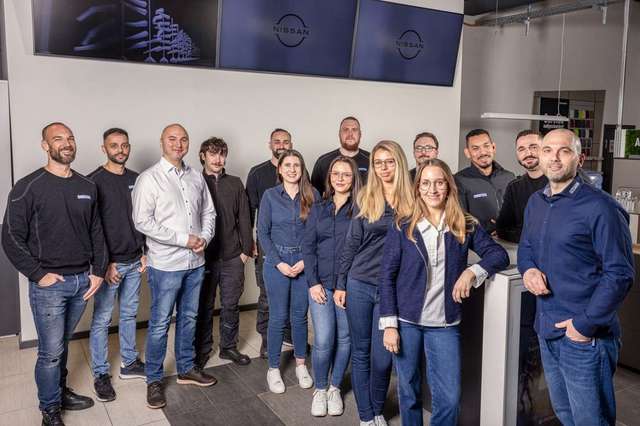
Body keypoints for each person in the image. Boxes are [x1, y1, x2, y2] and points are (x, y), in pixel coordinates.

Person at [517, 129, 634, 426]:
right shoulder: (536, 202)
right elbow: (527, 247)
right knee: (565, 415)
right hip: (547, 330)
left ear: (579, 159)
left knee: (591, 420)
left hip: (585, 337)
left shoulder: (601, 207)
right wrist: (528, 269)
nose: (554, 158)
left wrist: (583, 326)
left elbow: (620, 274)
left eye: (564, 151)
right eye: (547, 150)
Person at [380, 159, 509, 426]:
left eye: (439, 182)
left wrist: (472, 272)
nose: (433, 189)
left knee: (449, 398)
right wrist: (389, 325)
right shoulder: (403, 225)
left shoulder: (465, 224)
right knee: (409, 390)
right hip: (406, 321)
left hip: (445, 323)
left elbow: (499, 255)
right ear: (417, 188)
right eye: (426, 183)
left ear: (449, 186)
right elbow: (387, 276)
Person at [2, 122, 107, 426]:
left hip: (82, 281)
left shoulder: (87, 186)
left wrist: (98, 272)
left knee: (62, 343)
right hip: (49, 286)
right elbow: (10, 236)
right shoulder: (28, 187)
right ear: (45, 146)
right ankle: (50, 410)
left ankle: (60, 393)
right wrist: (38, 274)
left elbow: (97, 232)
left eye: (70, 138)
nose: (66, 143)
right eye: (58, 139)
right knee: (50, 352)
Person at [132, 124, 217, 409]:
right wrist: (184, 239)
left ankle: (186, 369)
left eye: (183, 139)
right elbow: (142, 221)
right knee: (159, 324)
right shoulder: (149, 179)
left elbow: (209, 212)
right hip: (166, 265)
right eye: (172, 139)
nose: (178, 144)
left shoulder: (196, 176)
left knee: (189, 317)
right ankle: (154, 380)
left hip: (196, 262)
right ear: (162, 142)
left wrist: (204, 238)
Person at [336, 140, 414, 426]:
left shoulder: (413, 200)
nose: (384, 168)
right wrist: (341, 283)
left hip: (391, 289)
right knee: (361, 353)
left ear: (399, 163)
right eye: (378, 163)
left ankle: (378, 408)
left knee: (382, 358)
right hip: (360, 283)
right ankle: (367, 417)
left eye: (389, 161)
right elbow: (351, 244)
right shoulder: (365, 198)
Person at [88, 128, 147, 403]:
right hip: (110, 266)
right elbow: (92, 228)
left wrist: (145, 251)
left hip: (135, 261)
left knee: (129, 314)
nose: (120, 150)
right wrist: (104, 264)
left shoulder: (137, 179)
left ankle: (129, 363)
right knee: (102, 320)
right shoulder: (93, 182)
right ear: (104, 149)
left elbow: (145, 217)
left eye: (124, 145)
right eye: (114, 145)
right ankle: (101, 373)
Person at [303, 156, 362, 417]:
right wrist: (313, 283)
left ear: (353, 178)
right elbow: (308, 247)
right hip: (321, 286)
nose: (340, 178)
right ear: (329, 177)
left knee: (345, 338)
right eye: (335, 173)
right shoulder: (318, 208)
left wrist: (346, 285)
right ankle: (320, 388)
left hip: (348, 287)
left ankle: (335, 388)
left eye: (346, 174)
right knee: (324, 339)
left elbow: (361, 250)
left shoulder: (361, 209)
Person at [258, 149, 319, 394]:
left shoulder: (312, 194)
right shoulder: (270, 196)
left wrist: (305, 261)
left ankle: (301, 364)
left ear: (302, 169)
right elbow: (262, 233)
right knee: (278, 316)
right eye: (288, 165)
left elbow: (318, 232)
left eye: (297, 165)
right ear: (280, 169)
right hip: (277, 263)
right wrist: (279, 263)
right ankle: (273, 368)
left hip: (304, 262)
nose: (292, 169)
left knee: (299, 317)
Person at [194, 137, 253, 368]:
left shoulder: (235, 183)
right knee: (204, 306)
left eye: (221, 154)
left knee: (230, 305)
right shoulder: (194, 180)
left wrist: (245, 251)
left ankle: (228, 347)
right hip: (203, 257)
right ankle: (202, 350)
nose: (218, 159)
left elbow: (244, 218)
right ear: (203, 156)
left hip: (232, 257)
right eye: (213, 154)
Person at [246, 128, 294, 358]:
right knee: (267, 295)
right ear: (270, 144)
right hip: (266, 244)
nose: (281, 145)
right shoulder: (257, 173)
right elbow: (248, 211)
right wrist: (250, 241)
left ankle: (290, 336)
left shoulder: (298, 170)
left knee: (294, 292)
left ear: (291, 144)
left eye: (285, 141)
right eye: (277, 141)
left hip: (294, 245)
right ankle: (267, 338)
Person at [455, 129, 515, 234]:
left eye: (486, 146)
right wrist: (491, 227)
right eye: (475, 148)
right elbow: (459, 219)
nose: (482, 152)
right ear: (467, 153)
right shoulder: (459, 180)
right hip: (478, 241)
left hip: (511, 240)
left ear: (493, 147)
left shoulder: (509, 177)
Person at [496, 130, 547, 243]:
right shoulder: (514, 187)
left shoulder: (559, 183)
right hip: (523, 251)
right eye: (521, 149)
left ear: (546, 149)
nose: (528, 153)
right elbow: (502, 228)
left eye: (533, 147)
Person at [311, 116, 370, 193]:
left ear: (360, 134)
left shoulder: (371, 160)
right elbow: (314, 195)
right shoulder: (323, 162)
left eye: (354, 130)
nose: (350, 134)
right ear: (339, 134)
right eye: (346, 130)